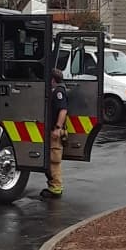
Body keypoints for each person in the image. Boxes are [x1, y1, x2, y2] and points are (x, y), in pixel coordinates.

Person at [41, 68, 69, 198]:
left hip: (56, 131)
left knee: (54, 160)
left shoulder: (59, 92)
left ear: (52, 80)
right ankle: (53, 185)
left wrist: (57, 128)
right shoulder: (57, 91)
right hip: (53, 130)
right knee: (51, 159)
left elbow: (63, 110)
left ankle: (56, 187)